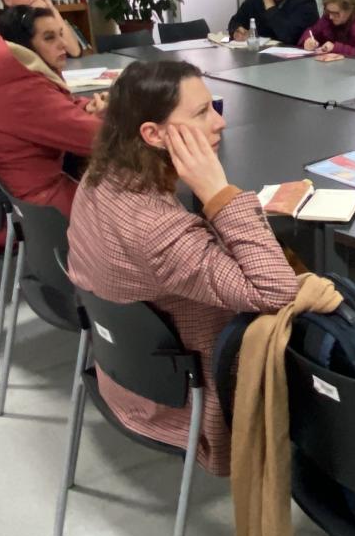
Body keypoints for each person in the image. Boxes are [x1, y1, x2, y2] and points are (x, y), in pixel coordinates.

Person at [66, 60, 300, 475]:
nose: (220, 123)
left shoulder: (101, 178)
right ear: (152, 134)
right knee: (313, 296)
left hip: (123, 369)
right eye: (201, 113)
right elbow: (276, 291)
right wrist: (218, 192)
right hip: (176, 399)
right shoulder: (154, 229)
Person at [0, 6, 105, 250]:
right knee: (128, 209)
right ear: (26, 45)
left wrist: (85, 109)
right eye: (49, 38)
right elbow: (100, 140)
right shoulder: (24, 91)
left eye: (61, 33)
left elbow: (54, 110)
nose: (63, 44)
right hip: (25, 213)